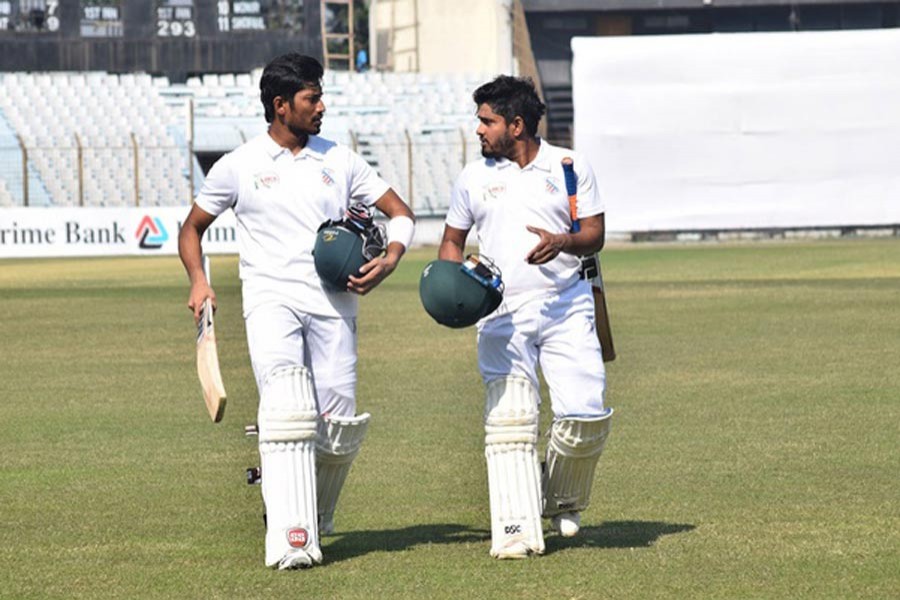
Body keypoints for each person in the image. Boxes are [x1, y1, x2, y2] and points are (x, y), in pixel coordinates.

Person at [178, 53, 415, 570]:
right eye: (313, 97)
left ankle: (309, 511)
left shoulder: (340, 160)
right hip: (271, 301)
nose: (322, 106)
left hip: (335, 304)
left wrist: (392, 256)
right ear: (281, 105)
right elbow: (191, 228)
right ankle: (290, 533)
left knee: (339, 424)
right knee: (287, 405)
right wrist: (199, 280)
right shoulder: (239, 164)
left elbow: (400, 213)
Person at [437, 75, 613, 559]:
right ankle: (516, 529)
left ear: (516, 125)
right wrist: (453, 285)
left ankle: (561, 498)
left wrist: (563, 241)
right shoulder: (473, 178)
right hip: (500, 313)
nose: (478, 129)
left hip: (566, 305)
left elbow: (594, 234)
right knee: (511, 421)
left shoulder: (569, 166)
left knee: (585, 415)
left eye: (487, 121)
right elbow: (452, 240)